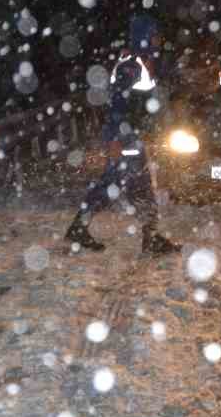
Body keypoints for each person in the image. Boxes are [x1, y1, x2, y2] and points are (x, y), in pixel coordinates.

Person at [65, 14, 182, 255]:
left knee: (120, 186)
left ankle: (148, 237)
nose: (159, 39)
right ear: (145, 37)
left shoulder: (141, 63)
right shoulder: (130, 67)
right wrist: (114, 140)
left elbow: (150, 97)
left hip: (132, 137)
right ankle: (150, 239)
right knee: (126, 187)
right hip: (125, 139)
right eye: (155, 35)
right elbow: (117, 105)